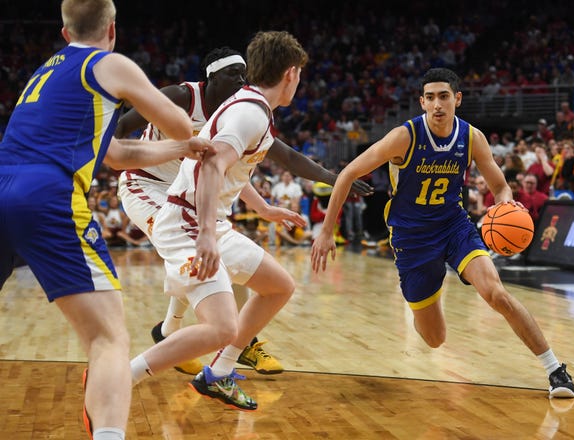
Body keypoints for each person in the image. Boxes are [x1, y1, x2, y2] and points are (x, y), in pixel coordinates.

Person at [0, 1, 212, 439]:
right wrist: (194, 136)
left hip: (5, 181)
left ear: (64, 33)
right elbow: (177, 122)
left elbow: (115, 154)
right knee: (109, 339)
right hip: (45, 194)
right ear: (112, 29)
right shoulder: (108, 62)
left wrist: (180, 152)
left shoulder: (46, 70)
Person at [310, 67, 574, 400]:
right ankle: (424, 287)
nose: (437, 104)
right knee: (435, 339)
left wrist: (507, 205)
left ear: (457, 99)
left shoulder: (471, 137)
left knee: (497, 294)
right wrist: (326, 231)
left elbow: (499, 186)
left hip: (454, 226)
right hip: (413, 238)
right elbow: (348, 172)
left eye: (444, 96)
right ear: (422, 102)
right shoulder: (404, 136)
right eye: (431, 97)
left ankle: (555, 370)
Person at [115, 46, 372, 377]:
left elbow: (276, 160)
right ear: (212, 78)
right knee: (191, 245)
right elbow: (122, 126)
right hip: (146, 184)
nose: (241, 79)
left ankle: (189, 335)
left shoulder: (238, 111)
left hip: (190, 193)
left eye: (243, 74)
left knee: (224, 260)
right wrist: (111, 157)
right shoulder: (183, 96)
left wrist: (330, 180)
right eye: (233, 74)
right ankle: (188, 337)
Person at [126, 30, 311, 411]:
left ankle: (218, 373)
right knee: (221, 328)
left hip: (205, 219)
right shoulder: (250, 111)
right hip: (189, 224)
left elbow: (228, 171)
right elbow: (212, 165)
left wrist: (264, 210)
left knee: (279, 286)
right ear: (291, 73)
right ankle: (121, 377)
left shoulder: (251, 106)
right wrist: (207, 235)